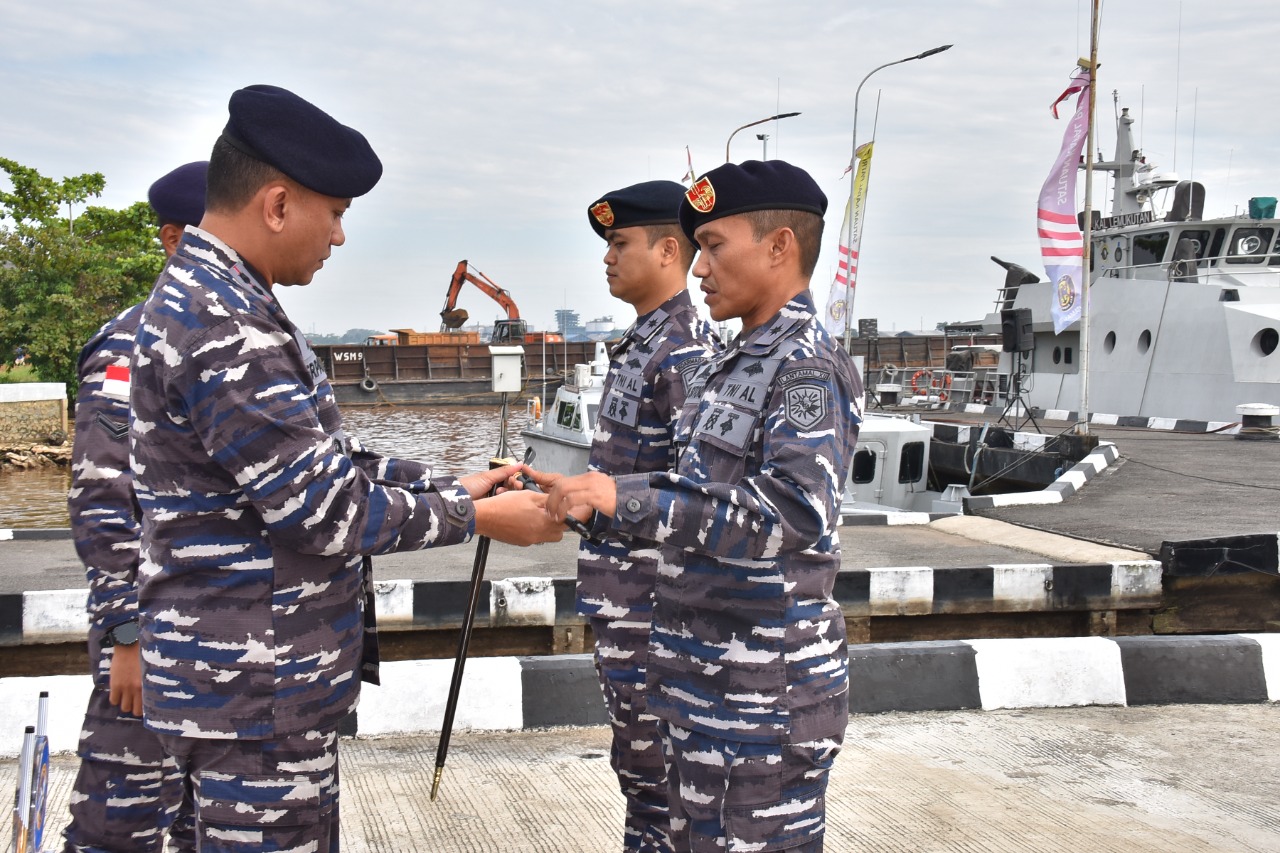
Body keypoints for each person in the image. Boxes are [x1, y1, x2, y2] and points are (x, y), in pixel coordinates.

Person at [128, 84, 562, 851]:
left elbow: (320, 460)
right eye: (335, 214)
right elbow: (325, 507)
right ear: (276, 204)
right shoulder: (227, 326)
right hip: (253, 695)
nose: (338, 237)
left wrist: (447, 484)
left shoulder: (224, 300)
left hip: (245, 688)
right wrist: (481, 517)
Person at [543, 160, 863, 853]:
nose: (700, 266)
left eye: (715, 245)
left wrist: (623, 498)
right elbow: (696, 493)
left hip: (762, 699)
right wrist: (596, 502)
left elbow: (791, 510)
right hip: (701, 686)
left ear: (779, 246)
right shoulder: (730, 365)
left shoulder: (805, 365)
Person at [63, 160, 207, 853]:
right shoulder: (133, 342)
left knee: (192, 826)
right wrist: (125, 633)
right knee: (119, 824)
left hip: (207, 641)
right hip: (148, 637)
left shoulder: (212, 334)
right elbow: (100, 495)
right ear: (173, 240)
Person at [581, 180, 721, 851]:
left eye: (620, 242)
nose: (608, 257)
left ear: (670, 249)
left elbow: (702, 495)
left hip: (657, 616)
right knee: (644, 786)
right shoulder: (643, 342)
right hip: (626, 607)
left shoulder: (684, 352)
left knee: (667, 796)